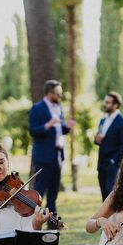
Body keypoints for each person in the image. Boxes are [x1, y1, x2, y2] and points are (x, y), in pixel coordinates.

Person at [29, 80, 75, 217]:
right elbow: (33, 131)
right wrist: (47, 125)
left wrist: (66, 127)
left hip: (58, 155)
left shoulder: (58, 107)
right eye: (58, 94)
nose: (60, 96)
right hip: (43, 156)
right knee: (39, 191)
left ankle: (52, 221)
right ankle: (31, 220)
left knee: (54, 191)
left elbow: (58, 130)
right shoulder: (37, 108)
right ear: (50, 93)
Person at [94, 91, 123, 201]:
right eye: (105, 102)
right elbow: (99, 140)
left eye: (108, 102)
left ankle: (113, 219)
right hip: (101, 164)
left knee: (112, 198)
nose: (105, 104)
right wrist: (96, 139)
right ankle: (104, 218)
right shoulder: (103, 120)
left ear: (115, 105)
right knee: (104, 197)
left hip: (114, 166)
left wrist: (113, 161)